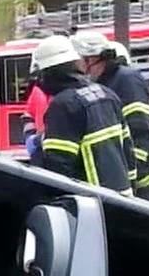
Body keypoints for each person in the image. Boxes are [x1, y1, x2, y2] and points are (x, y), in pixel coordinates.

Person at [73, 32, 149, 201]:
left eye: (80, 62)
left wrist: (130, 174)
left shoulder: (126, 80)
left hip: (147, 181)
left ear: (92, 59)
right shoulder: (104, 83)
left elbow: (141, 127)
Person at [29, 36, 133, 195]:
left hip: (92, 206)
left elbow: (57, 170)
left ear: (48, 73)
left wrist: (37, 152)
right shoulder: (107, 94)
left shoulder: (63, 105)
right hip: (124, 199)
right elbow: (128, 153)